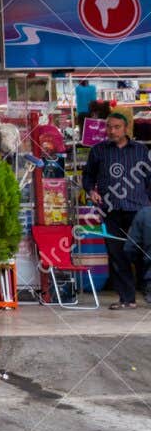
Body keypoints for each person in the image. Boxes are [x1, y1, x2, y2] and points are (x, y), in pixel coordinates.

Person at [83, 111, 151, 310]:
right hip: (111, 211)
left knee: (144, 253)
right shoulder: (98, 151)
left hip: (139, 210)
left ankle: (148, 294)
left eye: (116, 127)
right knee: (116, 254)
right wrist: (90, 191)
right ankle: (126, 299)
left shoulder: (141, 151)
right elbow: (88, 176)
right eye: (109, 127)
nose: (111, 131)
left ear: (126, 128)